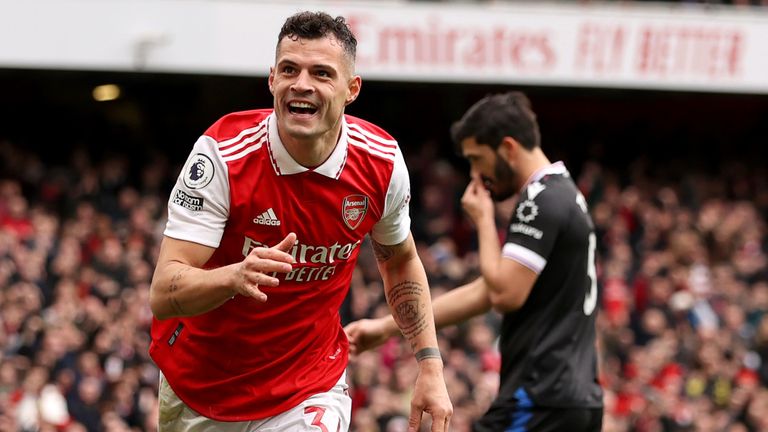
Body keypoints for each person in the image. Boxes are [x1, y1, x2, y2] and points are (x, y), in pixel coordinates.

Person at [148, 11, 452, 432]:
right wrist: (235, 276)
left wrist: (430, 365)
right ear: (272, 80)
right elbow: (165, 291)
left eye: (321, 73)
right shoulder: (222, 154)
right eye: (289, 69)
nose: (302, 84)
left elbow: (399, 260)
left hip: (309, 384)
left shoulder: (382, 163)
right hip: (204, 388)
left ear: (351, 89)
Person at [345, 92, 604, 431]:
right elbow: (485, 292)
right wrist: (386, 328)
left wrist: (483, 221)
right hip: (574, 398)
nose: (476, 175)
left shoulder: (539, 200)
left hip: (540, 397)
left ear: (508, 148)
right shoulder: (566, 194)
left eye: (477, 159)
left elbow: (503, 295)